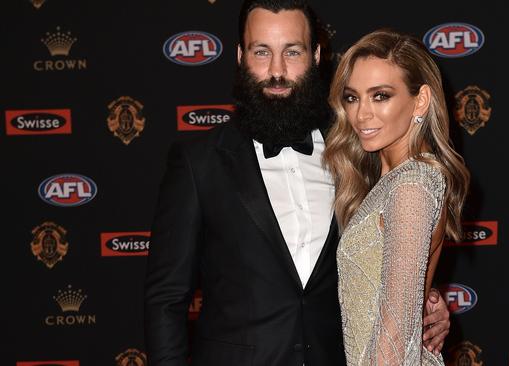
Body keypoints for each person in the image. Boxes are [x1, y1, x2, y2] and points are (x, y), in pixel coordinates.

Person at [144, 1, 450, 365]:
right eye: (262, 52)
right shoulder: (198, 163)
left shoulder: (358, 153)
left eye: (292, 52)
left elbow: (388, 260)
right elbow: (166, 299)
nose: (277, 71)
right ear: (241, 56)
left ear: (316, 55)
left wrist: (424, 301)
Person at [323, 29, 470, 365]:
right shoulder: (392, 180)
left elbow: (394, 334)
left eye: (381, 96)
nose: (362, 114)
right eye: (352, 97)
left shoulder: (411, 186)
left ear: (419, 101)